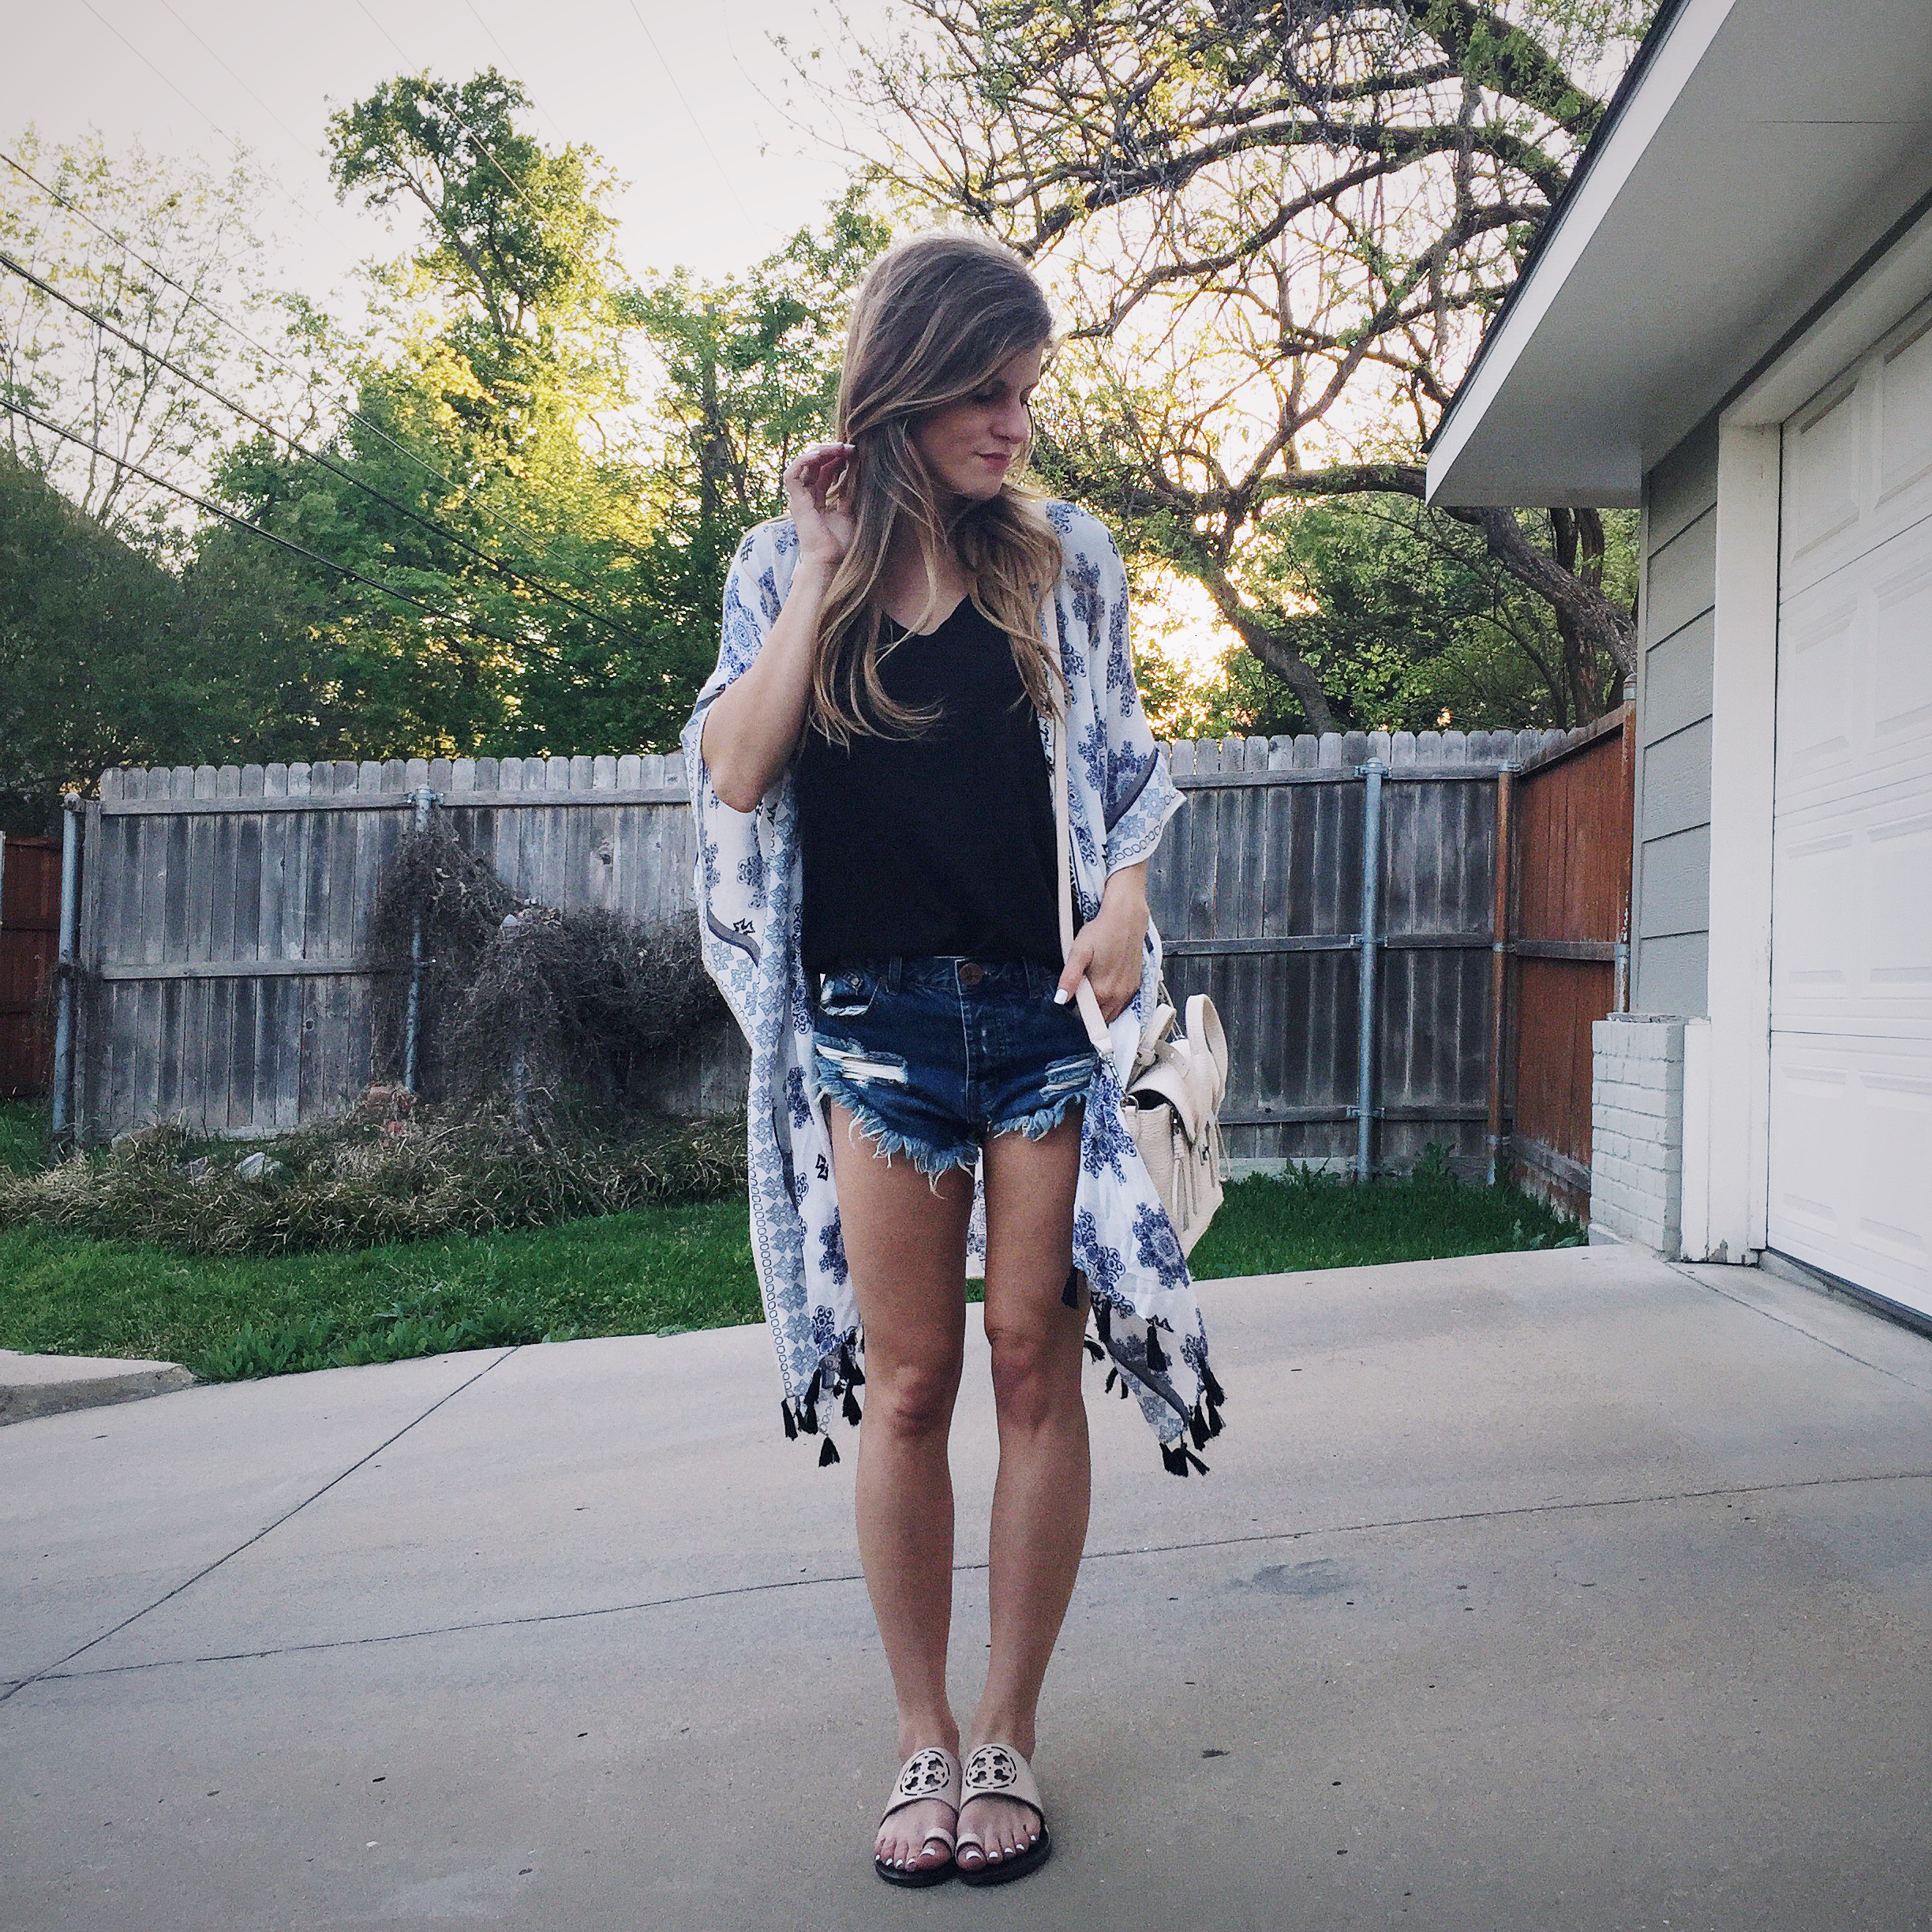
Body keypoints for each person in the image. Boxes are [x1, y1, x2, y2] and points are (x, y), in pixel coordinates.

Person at [680, 230, 1226, 1890]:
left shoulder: (1068, 558)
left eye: (1026, 389)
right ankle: (922, 1741)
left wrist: (1126, 899)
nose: (1014, 421)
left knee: (1031, 1366)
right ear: (906, 388)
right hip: (872, 1031)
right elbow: (739, 768)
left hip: (1041, 1023)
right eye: (985, 390)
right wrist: (828, 558)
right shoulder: (793, 563)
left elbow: (1128, 766)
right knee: (911, 1385)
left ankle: (1008, 1738)